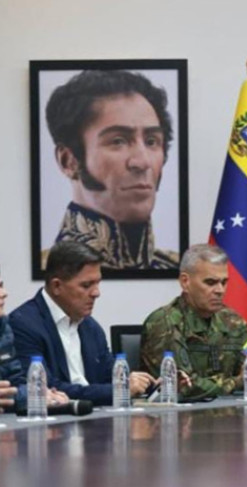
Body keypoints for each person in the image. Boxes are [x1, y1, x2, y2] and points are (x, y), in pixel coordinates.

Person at [44, 69, 177, 270]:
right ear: (68, 161)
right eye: (118, 141)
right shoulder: (48, 268)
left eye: (151, 141)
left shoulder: (175, 266)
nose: (142, 162)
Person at [9, 242, 155, 406]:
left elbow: (110, 374)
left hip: (94, 416)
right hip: (56, 419)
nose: (96, 293)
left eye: (97, 283)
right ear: (57, 286)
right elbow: (44, 389)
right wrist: (119, 389)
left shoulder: (90, 327)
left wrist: (146, 384)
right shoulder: (23, 324)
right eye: (86, 285)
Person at [140, 244, 247, 400]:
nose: (220, 290)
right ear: (185, 282)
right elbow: (185, 387)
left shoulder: (234, 321)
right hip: (178, 413)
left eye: (224, 282)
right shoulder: (164, 322)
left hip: (230, 411)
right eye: (210, 282)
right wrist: (236, 382)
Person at [0, 267, 69, 412]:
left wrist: (37, 394)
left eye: (1, 286)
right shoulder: (21, 322)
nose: (4, 293)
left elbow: (16, 381)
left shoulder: (3, 328)